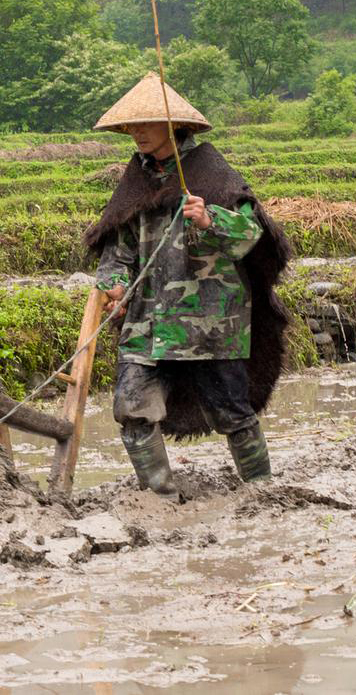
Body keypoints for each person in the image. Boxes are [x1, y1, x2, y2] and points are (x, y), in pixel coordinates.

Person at [83, 73, 294, 497]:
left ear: (173, 125)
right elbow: (118, 249)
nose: (137, 134)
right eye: (132, 127)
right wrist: (117, 286)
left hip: (210, 320)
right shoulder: (136, 179)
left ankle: (264, 493)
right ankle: (161, 497)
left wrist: (210, 219)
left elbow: (251, 236)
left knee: (234, 413)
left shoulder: (210, 171)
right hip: (148, 321)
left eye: (146, 124)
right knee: (131, 409)